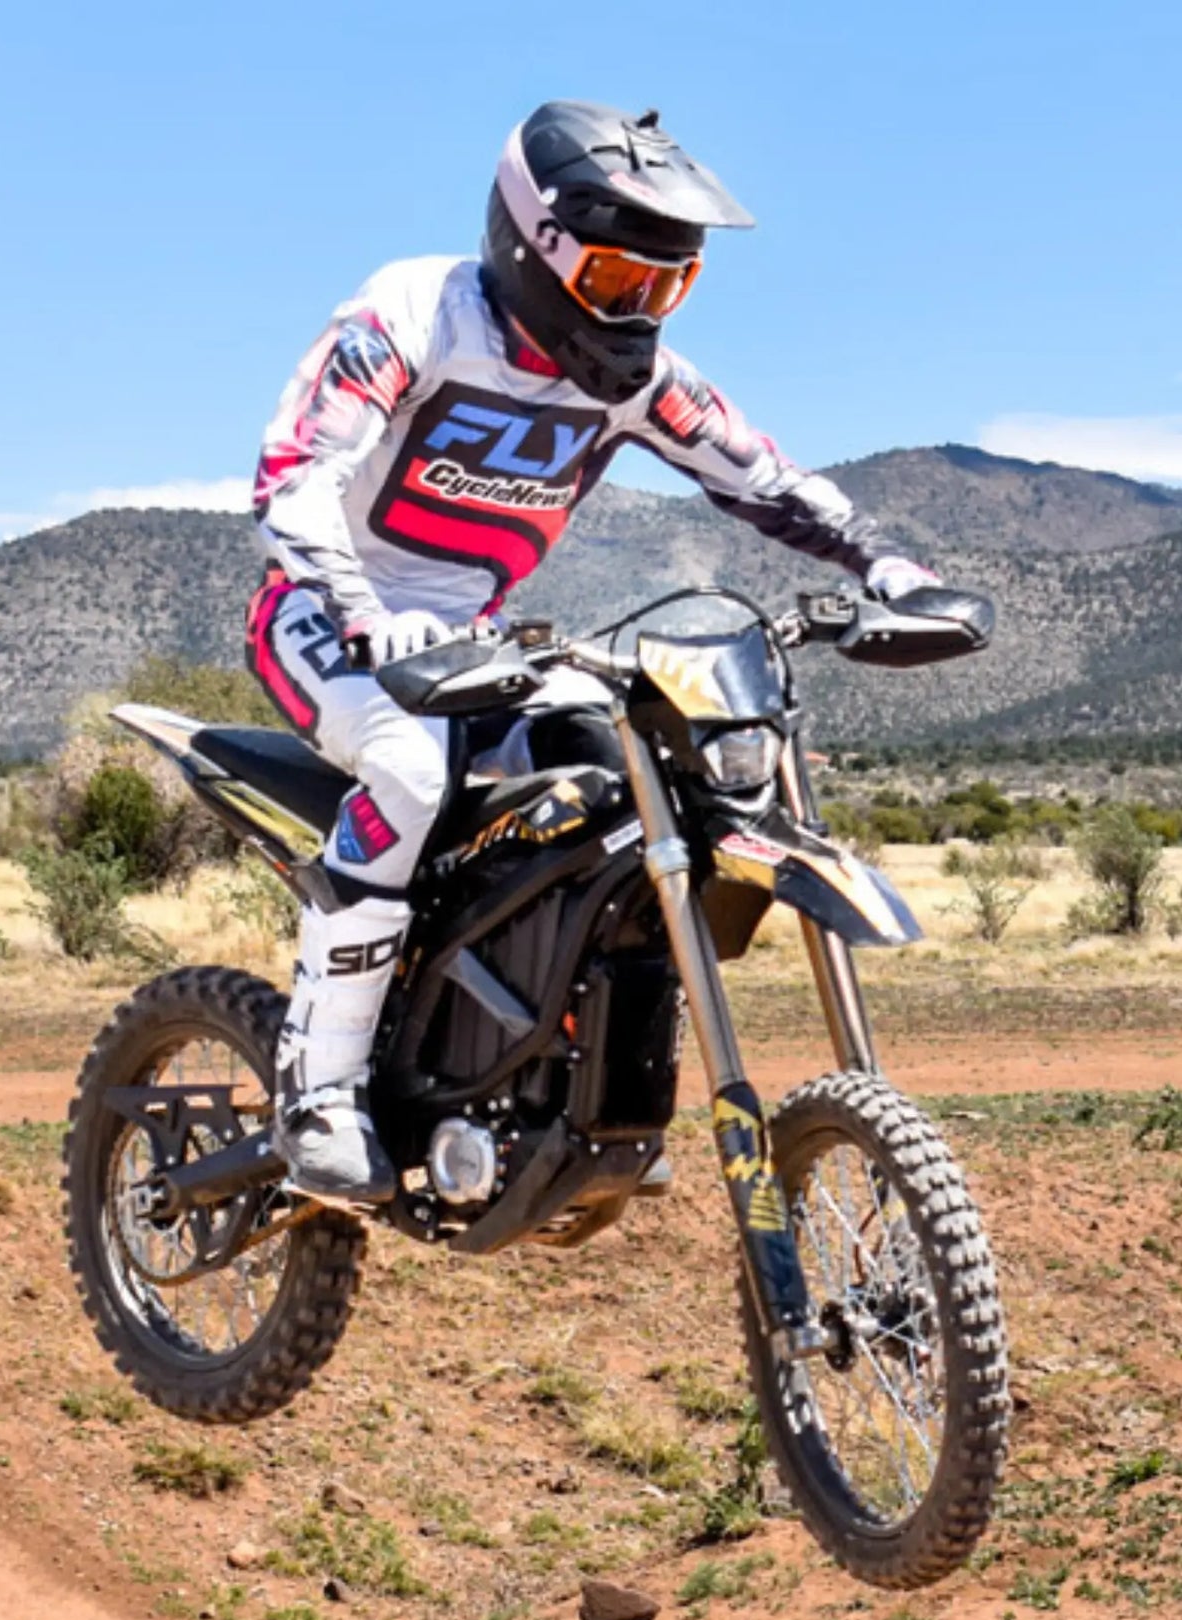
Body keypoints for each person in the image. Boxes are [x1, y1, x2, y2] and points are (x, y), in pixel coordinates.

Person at [249, 99, 951, 1206]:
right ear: (536, 246)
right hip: (324, 615)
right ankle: (319, 1093)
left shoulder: (635, 384)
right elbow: (296, 474)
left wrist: (887, 567)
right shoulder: (413, 315)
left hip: (477, 642)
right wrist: (359, 610)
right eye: (623, 282)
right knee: (409, 769)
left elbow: (758, 474)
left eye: (669, 288)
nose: (641, 313)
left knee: (629, 779)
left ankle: (561, 1076)